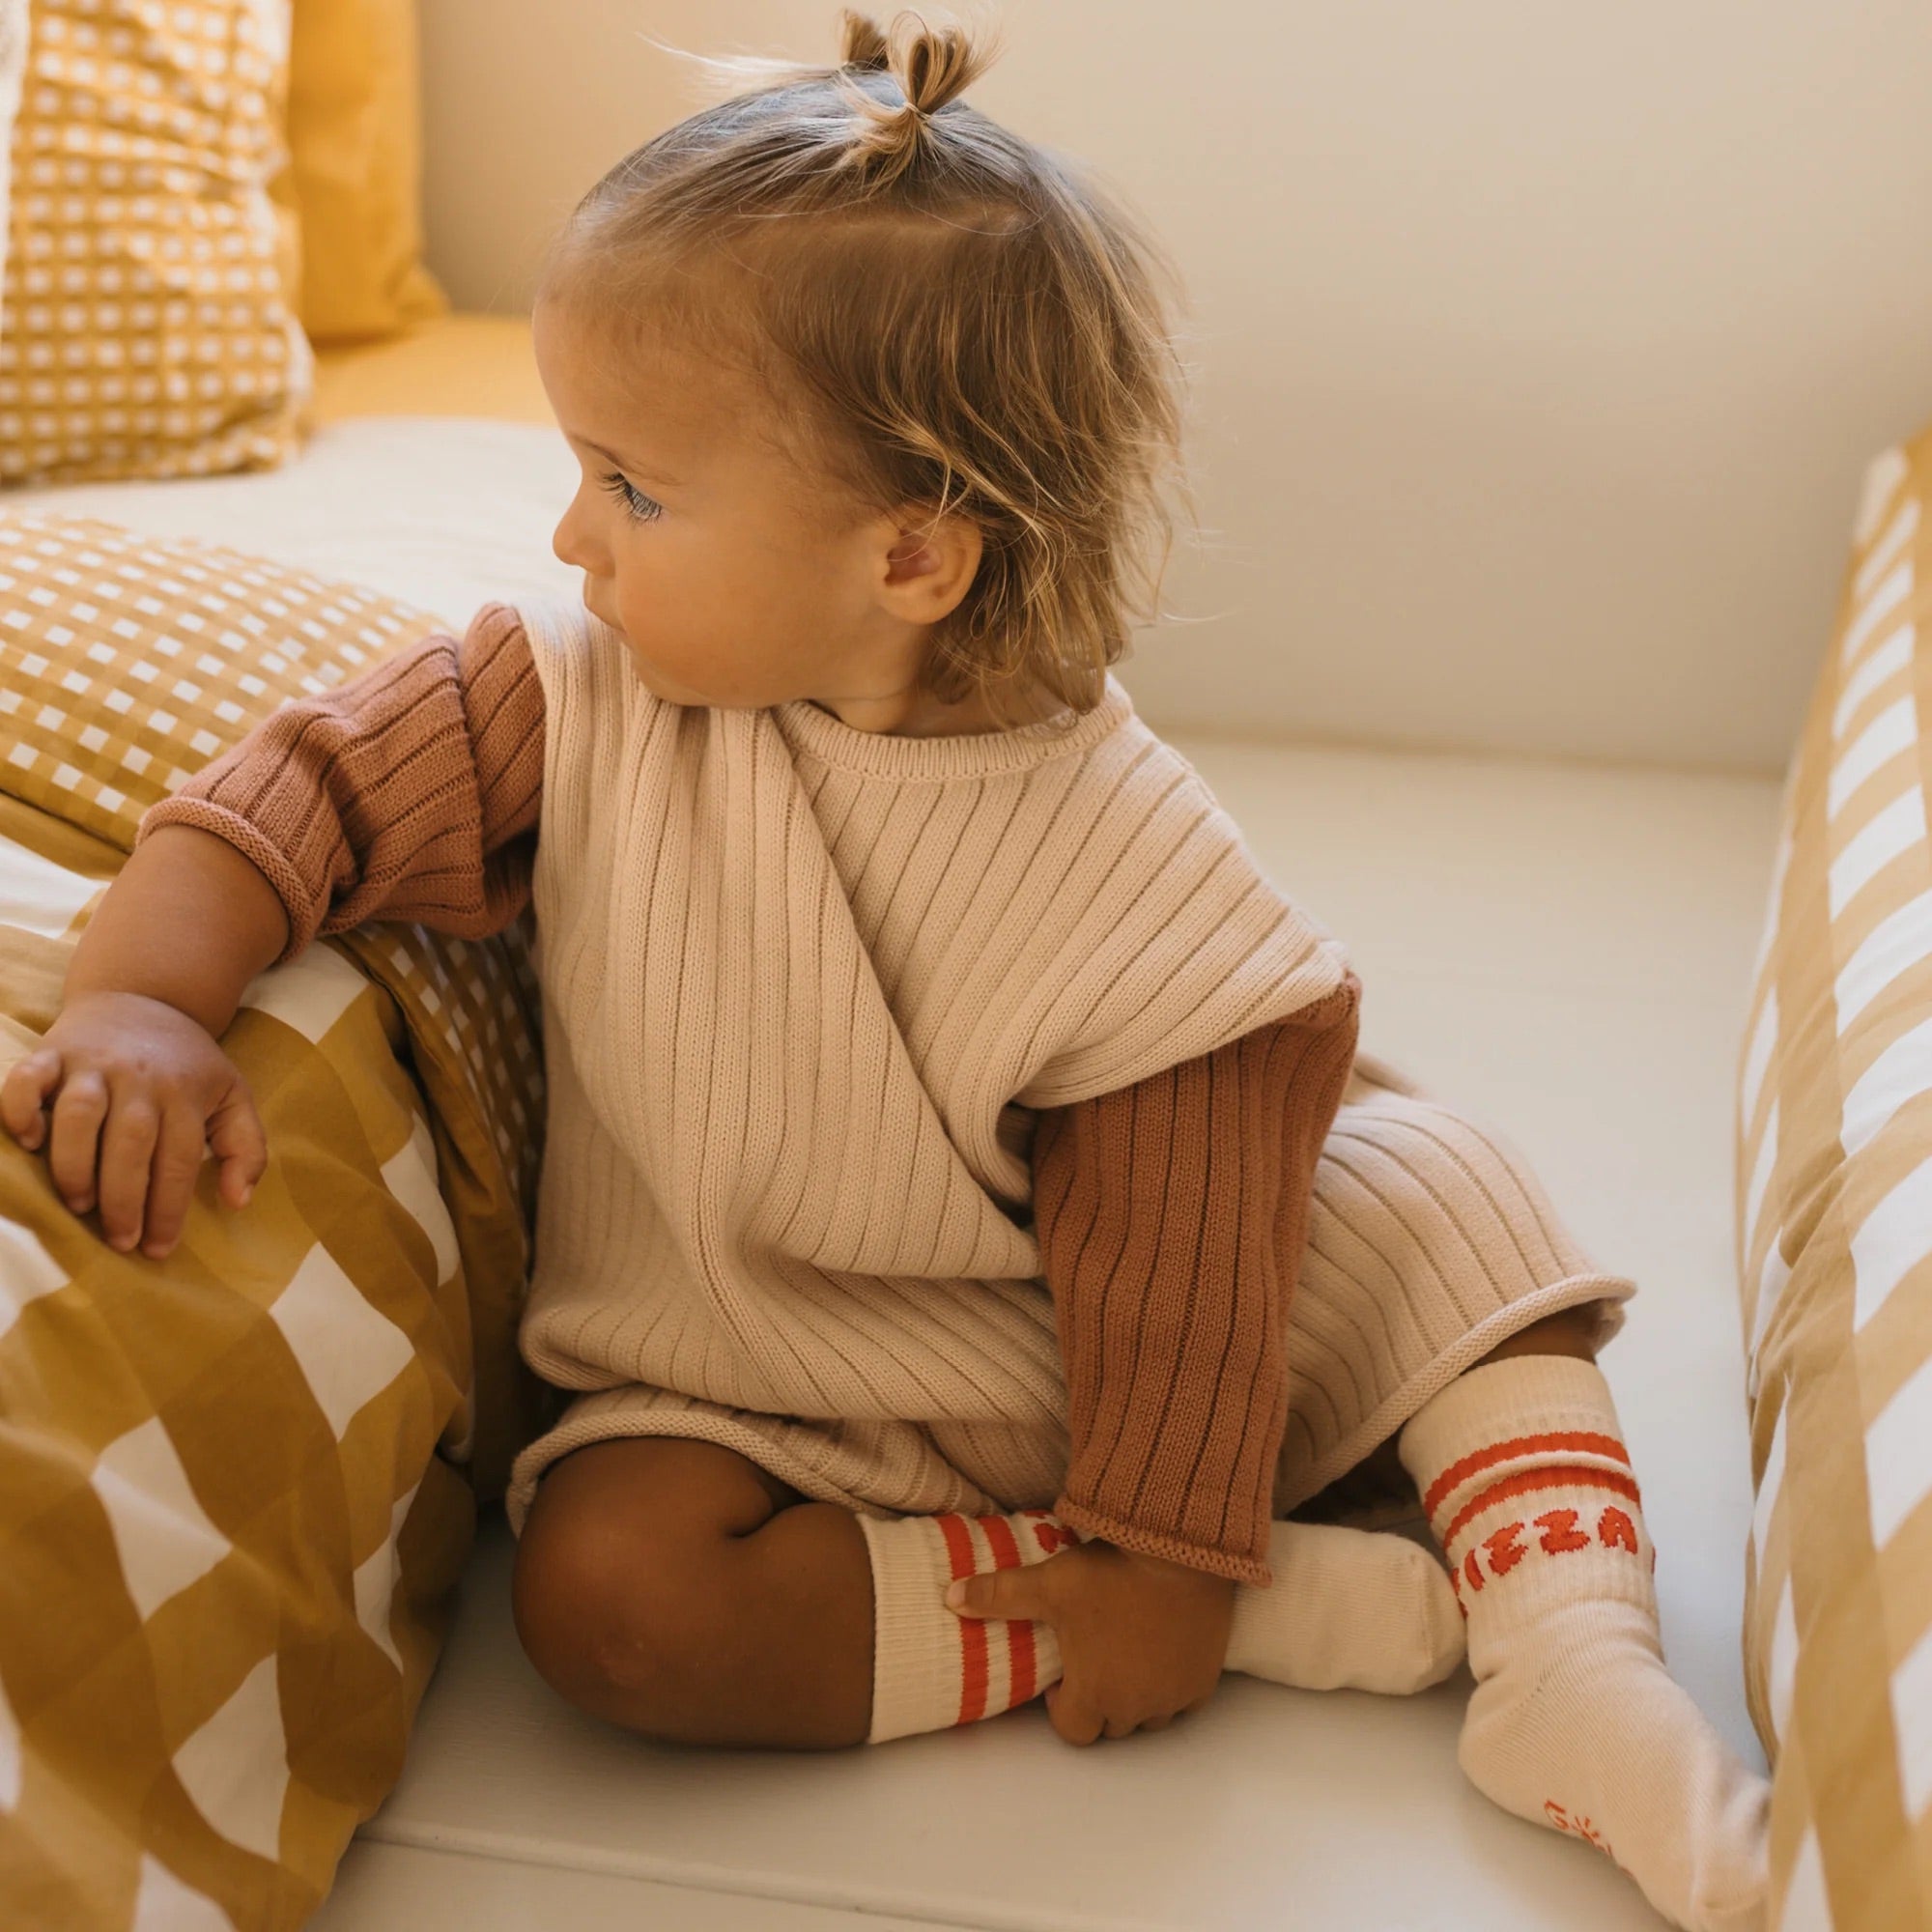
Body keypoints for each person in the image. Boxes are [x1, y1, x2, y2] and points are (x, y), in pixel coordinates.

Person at [0, 11, 1768, 1927]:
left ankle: (1568, 1657)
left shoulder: (1117, 855)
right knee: (613, 1607)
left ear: (909, 560)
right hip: (768, 1364)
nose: (570, 532)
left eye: (633, 489)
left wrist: (1163, 1544)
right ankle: (1247, 1607)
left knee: (1459, 1227)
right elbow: (294, 797)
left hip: (1152, 1334)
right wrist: (139, 1001)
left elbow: (1183, 1250)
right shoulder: (560, 687)